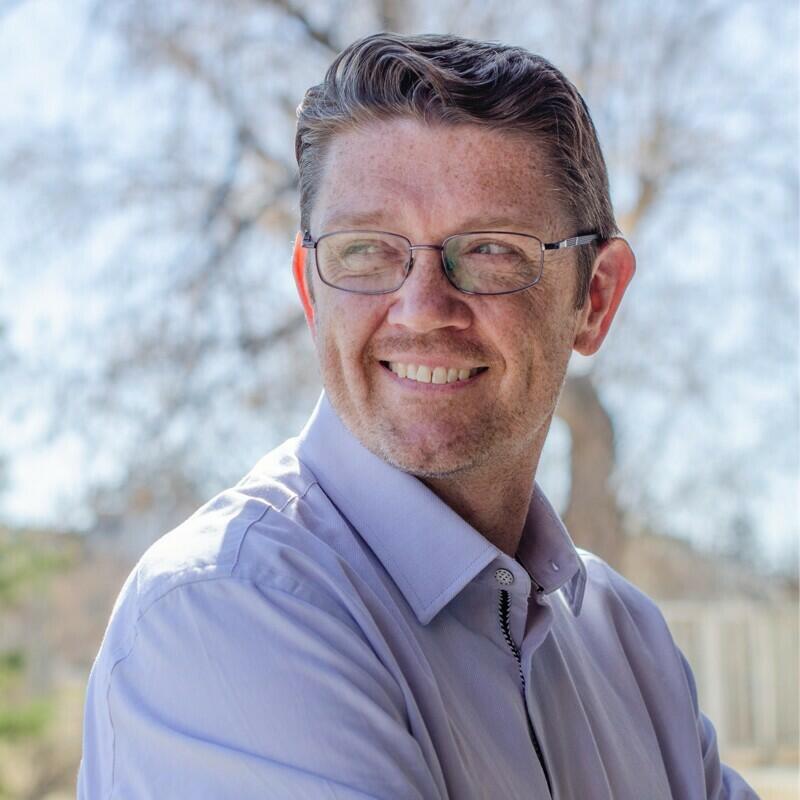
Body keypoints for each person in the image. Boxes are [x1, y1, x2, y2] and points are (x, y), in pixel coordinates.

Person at [77, 33, 759, 799]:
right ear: (311, 292)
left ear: (594, 298)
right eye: (366, 250)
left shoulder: (630, 651)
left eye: (492, 250)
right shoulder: (222, 613)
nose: (423, 309)